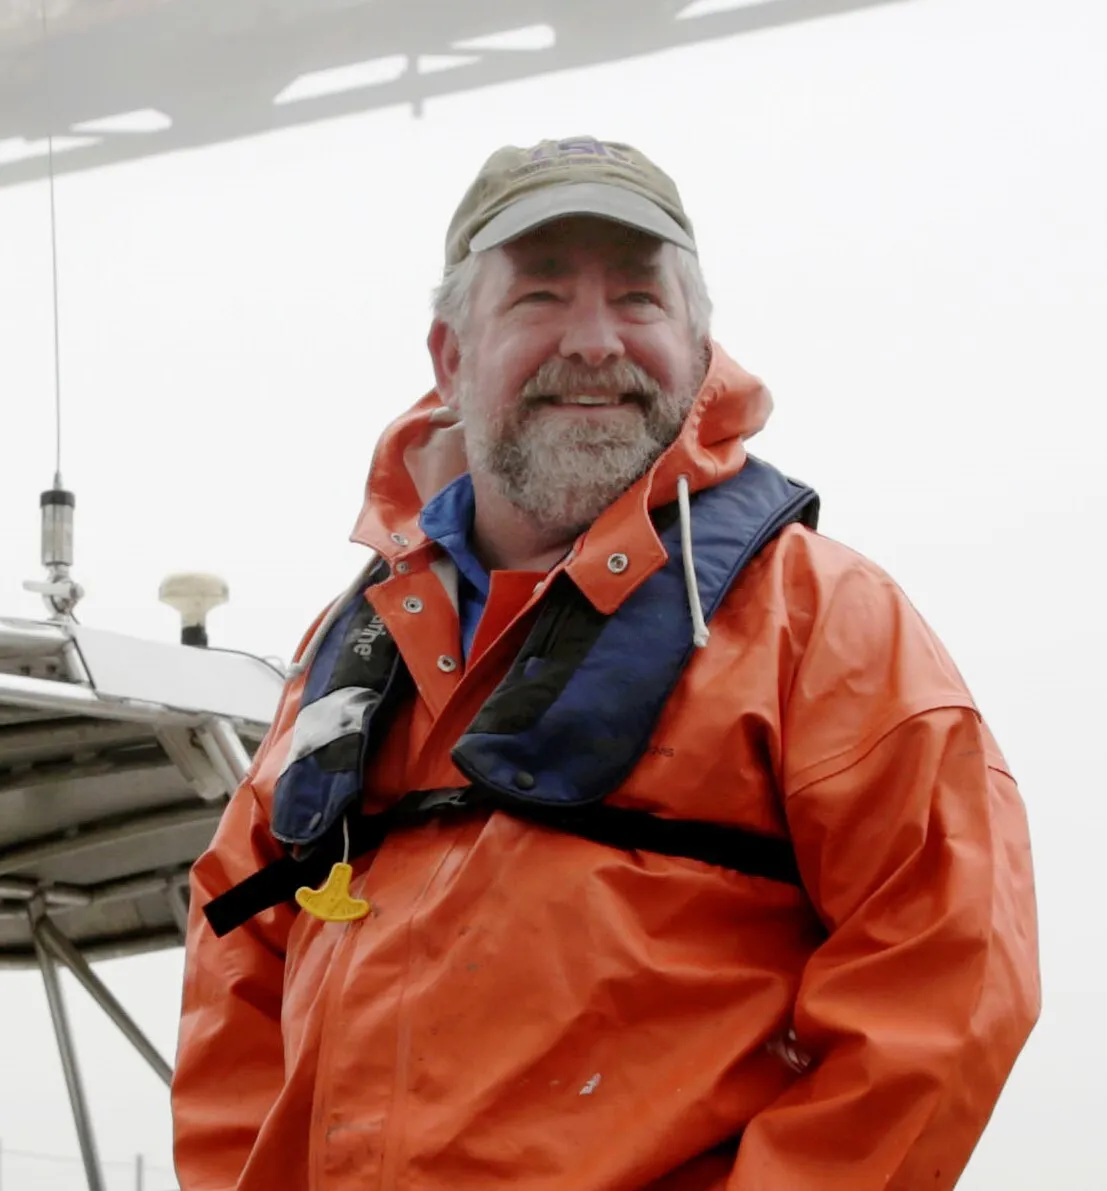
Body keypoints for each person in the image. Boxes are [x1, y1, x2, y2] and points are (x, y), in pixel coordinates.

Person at [171, 136, 1040, 1191]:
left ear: (698, 341)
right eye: (540, 297)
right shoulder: (345, 654)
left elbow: (945, 979)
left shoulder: (823, 619)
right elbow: (237, 960)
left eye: (638, 300)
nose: (594, 343)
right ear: (450, 354)